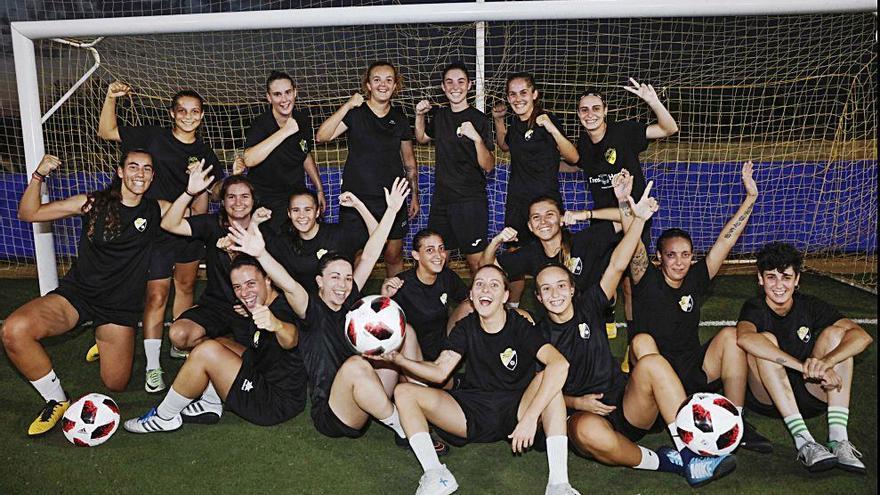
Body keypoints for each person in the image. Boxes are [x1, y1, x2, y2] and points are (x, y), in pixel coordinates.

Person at [537, 177, 735, 487]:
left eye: (561, 285)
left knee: (652, 363)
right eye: (546, 289)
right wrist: (577, 403)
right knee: (588, 432)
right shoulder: (536, 334)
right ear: (537, 297)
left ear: (572, 288)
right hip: (584, 415)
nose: (555, 293)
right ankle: (667, 463)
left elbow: (618, 264)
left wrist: (637, 219)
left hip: (626, 403)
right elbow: (536, 393)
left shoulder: (589, 303)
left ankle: (691, 451)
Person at [229, 178, 429, 446]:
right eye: (335, 277)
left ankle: (424, 405)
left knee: (406, 332)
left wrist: (392, 210)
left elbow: (370, 255)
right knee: (356, 365)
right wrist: (261, 254)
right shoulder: (309, 308)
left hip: (368, 391)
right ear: (320, 281)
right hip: (335, 413)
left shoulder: (350, 296)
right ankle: (405, 428)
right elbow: (287, 283)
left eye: (348, 278)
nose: (343, 284)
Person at [1, 150, 165, 436]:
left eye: (147, 169)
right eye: (133, 167)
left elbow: (193, 213)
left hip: (118, 308)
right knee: (14, 330)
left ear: (153, 176)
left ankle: (102, 341)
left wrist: (195, 187)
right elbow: (28, 213)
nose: (140, 173)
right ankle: (56, 399)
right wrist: (38, 176)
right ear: (120, 172)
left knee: (116, 383)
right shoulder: (91, 203)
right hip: (78, 296)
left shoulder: (157, 210)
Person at [383, 264, 579, 495]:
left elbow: (560, 364)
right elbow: (439, 371)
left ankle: (558, 485)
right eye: (479, 284)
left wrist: (530, 418)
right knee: (404, 392)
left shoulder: (520, 325)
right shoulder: (464, 327)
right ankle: (436, 474)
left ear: (505, 296)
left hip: (517, 408)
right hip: (473, 409)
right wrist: (398, 359)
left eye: (494, 285)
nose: (486, 289)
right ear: (472, 295)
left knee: (550, 378)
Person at [628, 161, 771, 453]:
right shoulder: (646, 278)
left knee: (732, 336)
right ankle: (682, 426)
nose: (679, 261)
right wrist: (627, 208)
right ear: (659, 257)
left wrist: (751, 198)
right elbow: (633, 247)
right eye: (671, 255)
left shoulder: (695, 278)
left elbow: (724, 241)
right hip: (655, 375)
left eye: (685, 255)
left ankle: (735, 423)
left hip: (692, 367)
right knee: (641, 341)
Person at [97, 81, 222, 392]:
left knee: (186, 285)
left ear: (202, 115)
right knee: (156, 295)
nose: (188, 116)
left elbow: (215, 187)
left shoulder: (205, 152)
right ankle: (153, 365)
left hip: (187, 228)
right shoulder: (154, 136)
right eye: (182, 111)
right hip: (155, 229)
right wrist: (111, 98)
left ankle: (179, 343)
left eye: (195, 112)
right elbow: (107, 131)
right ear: (172, 113)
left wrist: (234, 179)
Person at [123, 255, 307, 432]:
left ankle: (164, 417)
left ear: (268, 279)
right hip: (263, 372)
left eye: (251, 284)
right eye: (237, 287)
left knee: (207, 351)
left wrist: (277, 325)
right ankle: (211, 402)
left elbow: (291, 339)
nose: (244, 293)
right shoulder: (263, 303)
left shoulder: (281, 309)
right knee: (219, 343)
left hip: (273, 402)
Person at [735, 242, 872, 473]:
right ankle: (804, 441)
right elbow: (745, 339)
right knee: (764, 340)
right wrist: (803, 367)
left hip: (810, 394)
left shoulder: (810, 305)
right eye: (771, 277)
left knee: (839, 336)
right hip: (769, 396)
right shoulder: (754, 307)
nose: (779, 285)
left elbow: (863, 337)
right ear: (760, 279)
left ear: (797, 280)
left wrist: (826, 363)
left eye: (786, 277)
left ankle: (838, 439)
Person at [570, 79, 679, 337]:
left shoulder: (624, 133)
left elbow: (669, 129)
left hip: (633, 217)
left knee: (633, 284)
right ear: (578, 114)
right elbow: (576, 164)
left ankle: (635, 340)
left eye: (596, 108)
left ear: (605, 111)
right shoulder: (582, 144)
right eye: (584, 110)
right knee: (599, 279)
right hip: (605, 220)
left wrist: (652, 101)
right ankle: (602, 317)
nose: (590, 114)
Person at [316, 61, 419, 277]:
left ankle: (394, 302)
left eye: (389, 80)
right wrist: (347, 105)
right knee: (357, 255)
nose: (383, 84)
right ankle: (352, 304)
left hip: (392, 199)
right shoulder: (356, 114)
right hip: (357, 198)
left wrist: (414, 196)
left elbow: (409, 162)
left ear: (395, 86)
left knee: (393, 254)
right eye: (377, 79)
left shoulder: (400, 119)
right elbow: (322, 136)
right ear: (368, 85)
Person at [161, 163, 268, 353]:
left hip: (251, 306)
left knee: (256, 356)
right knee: (179, 334)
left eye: (244, 196)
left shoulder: (265, 230)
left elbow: (276, 277)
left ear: (254, 200)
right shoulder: (212, 224)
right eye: (231, 197)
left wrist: (257, 302)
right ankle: (218, 344)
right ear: (223, 201)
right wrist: (189, 192)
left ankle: (218, 347)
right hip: (216, 305)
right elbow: (169, 224)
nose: (238, 202)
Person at [491, 72, 579, 305]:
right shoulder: (516, 125)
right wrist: (499, 121)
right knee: (514, 256)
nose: (518, 98)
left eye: (523, 92)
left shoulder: (546, 120)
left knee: (556, 252)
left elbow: (573, 157)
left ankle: (566, 300)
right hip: (518, 202)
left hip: (546, 202)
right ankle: (513, 306)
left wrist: (551, 128)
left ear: (534, 94)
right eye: (512, 94)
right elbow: (505, 146)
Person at [414, 62, 495, 276]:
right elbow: (421, 138)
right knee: (435, 261)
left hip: (470, 201)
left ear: (469, 85)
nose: (455, 86)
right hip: (442, 201)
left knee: (477, 263)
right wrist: (419, 115)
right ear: (443, 87)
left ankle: (486, 307)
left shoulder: (479, 119)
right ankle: (436, 306)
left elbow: (488, 165)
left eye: (461, 81)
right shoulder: (440, 116)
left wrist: (476, 138)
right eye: (449, 82)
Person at [479, 195, 620, 305]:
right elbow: (486, 269)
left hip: (589, 316)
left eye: (549, 215)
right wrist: (496, 241)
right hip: (556, 320)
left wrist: (586, 214)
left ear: (561, 219)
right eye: (536, 217)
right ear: (530, 226)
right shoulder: (531, 254)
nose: (543, 221)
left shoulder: (585, 241)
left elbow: (630, 217)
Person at [243, 71, 325, 234]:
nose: (284, 99)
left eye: (288, 92)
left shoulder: (303, 119)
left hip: (294, 194)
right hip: (266, 197)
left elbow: (305, 154)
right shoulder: (261, 124)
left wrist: (319, 189)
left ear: (295, 92)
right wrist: (285, 131)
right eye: (277, 94)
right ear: (269, 97)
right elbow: (249, 159)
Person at [381, 229, 472, 362]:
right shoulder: (401, 284)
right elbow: (383, 327)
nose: (439, 255)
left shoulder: (447, 276)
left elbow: (467, 301)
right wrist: (385, 298)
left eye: (441, 249)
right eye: (430, 250)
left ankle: (457, 359)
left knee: (470, 305)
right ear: (416, 255)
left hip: (443, 345)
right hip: (411, 350)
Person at [267, 189, 377, 293]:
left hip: (341, 299)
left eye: (308, 210)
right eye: (296, 210)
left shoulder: (337, 234)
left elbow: (379, 240)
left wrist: (359, 205)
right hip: (306, 306)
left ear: (317, 212)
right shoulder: (284, 242)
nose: (301, 216)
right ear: (289, 213)